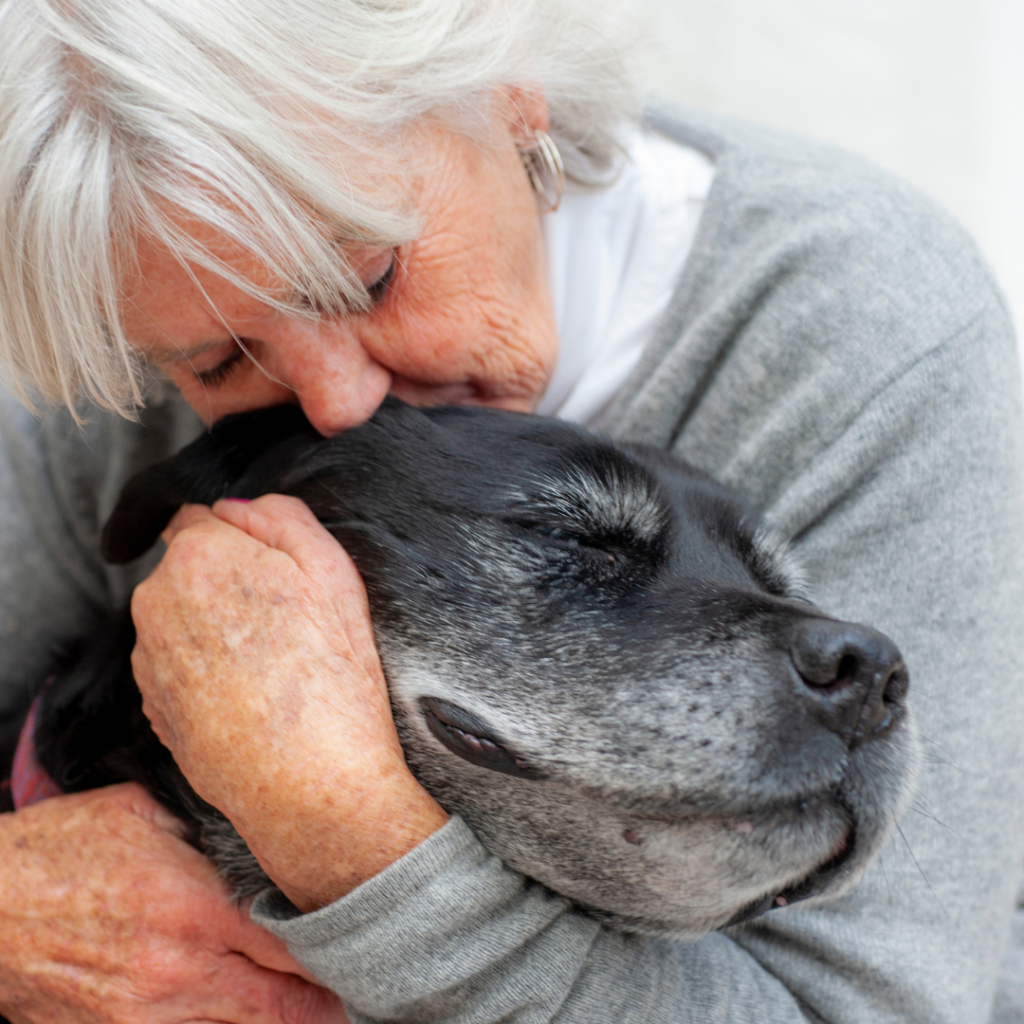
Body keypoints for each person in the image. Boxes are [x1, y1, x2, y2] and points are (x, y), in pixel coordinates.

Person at [0, 0, 1022, 1021]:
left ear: (508, 98)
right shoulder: (119, 335)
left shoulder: (867, 327)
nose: (339, 401)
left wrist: (342, 833)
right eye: (220, 361)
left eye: (372, 275)